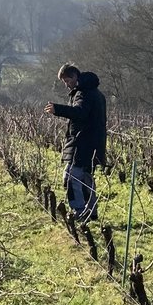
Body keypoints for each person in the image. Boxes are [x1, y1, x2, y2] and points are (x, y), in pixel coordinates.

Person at [44, 64, 106, 224]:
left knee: (71, 178)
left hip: (81, 144)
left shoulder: (83, 93)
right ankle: (92, 213)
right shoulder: (97, 93)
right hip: (94, 145)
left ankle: (79, 213)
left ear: (74, 77)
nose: (66, 85)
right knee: (86, 179)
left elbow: (80, 113)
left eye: (67, 81)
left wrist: (57, 109)